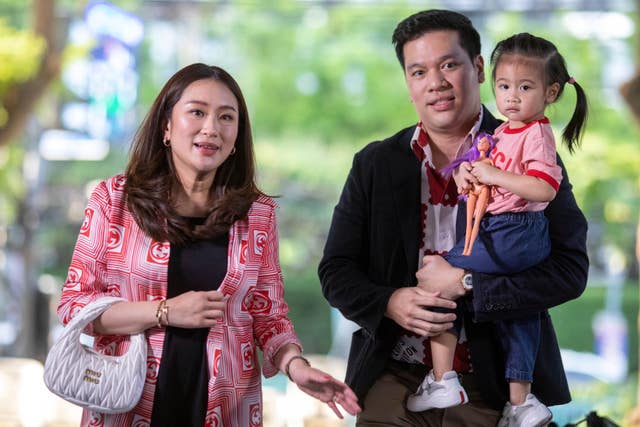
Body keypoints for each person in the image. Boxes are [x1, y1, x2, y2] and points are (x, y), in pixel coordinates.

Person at [318, 9, 588, 427]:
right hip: (392, 378)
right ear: (408, 85)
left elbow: (570, 270)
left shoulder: (529, 155)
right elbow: (336, 271)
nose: (436, 82)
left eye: (449, 65)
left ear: (478, 69)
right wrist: (390, 302)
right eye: (418, 71)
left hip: (493, 385)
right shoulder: (375, 164)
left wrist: (468, 283)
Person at [56, 63, 361, 427]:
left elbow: (269, 315)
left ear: (236, 138)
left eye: (226, 117)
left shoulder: (257, 215)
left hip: (225, 406)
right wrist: (164, 311)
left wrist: (296, 367)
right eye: (197, 112)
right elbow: (76, 307)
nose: (211, 128)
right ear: (166, 126)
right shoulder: (114, 200)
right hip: (127, 402)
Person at [407, 32, 589, 427]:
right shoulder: (506, 132)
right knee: (521, 317)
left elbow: (543, 188)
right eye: (504, 86)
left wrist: (494, 175)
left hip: (515, 230)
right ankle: (521, 402)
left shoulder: (537, 135)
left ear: (551, 92)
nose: (511, 97)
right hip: (505, 229)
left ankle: (442, 379)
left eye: (525, 87)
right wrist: (469, 174)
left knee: (437, 280)